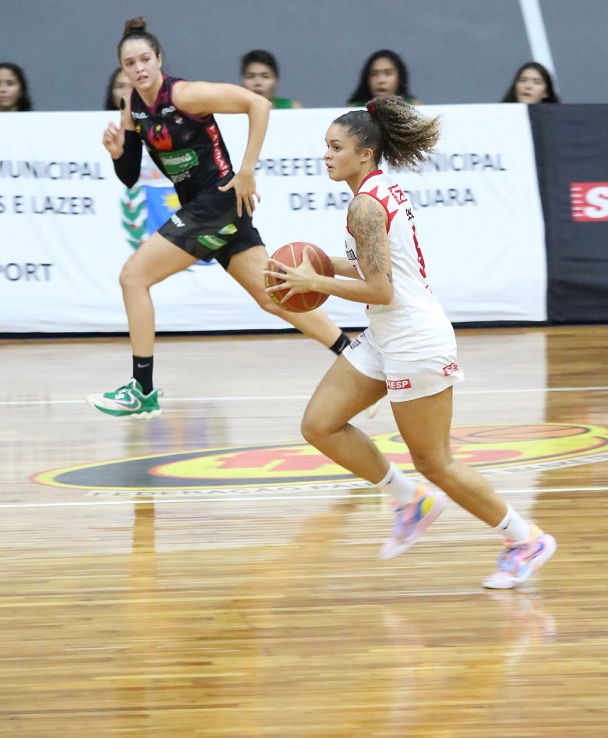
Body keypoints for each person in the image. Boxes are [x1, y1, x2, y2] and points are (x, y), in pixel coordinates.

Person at [263, 96, 556, 589]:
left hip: (414, 340)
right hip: (386, 333)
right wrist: (322, 266)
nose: (327, 156)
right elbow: (378, 269)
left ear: (366, 154)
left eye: (336, 147)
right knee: (320, 424)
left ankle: (525, 539)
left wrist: (313, 284)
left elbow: (380, 288)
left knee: (435, 462)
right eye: (325, 147)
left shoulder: (364, 203)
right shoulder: (376, 192)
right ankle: (408, 499)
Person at [86, 18, 355, 418]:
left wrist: (246, 170)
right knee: (273, 295)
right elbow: (129, 177)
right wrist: (116, 152)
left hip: (216, 201)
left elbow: (258, 104)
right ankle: (357, 359)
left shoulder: (186, 95)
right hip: (209, 206)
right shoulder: (133, 108)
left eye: (145, 59)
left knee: (133, 277)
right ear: (122, 69)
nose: (139, 68)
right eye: (130, 63)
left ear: (159, 59)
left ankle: (142, 390)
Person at [347, 51, 421, 107]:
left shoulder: (413, 107)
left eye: (388, 73)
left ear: (399, 78)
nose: (381, 80)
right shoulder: (354, 109)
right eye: (374, 74)